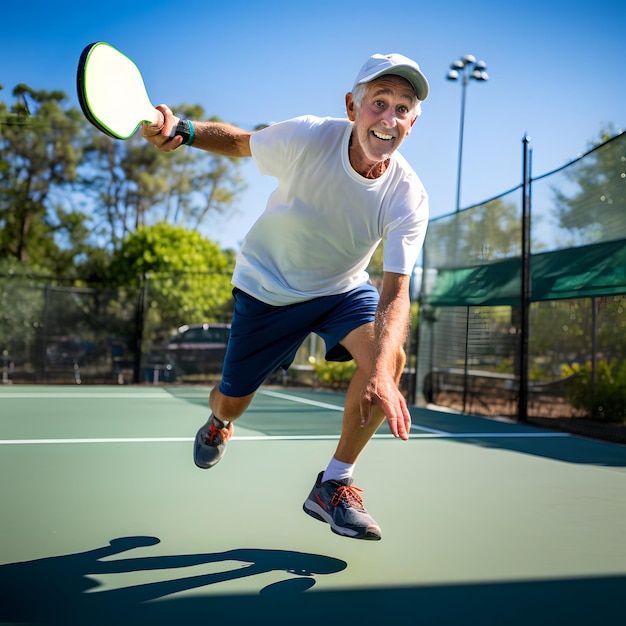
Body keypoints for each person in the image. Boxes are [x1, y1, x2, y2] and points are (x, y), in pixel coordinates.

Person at [142, 53, 430, 541]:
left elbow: (395, 294)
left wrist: (381, 371)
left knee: (389, 356)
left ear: (412, 123)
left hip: (341, 290)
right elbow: (240, 143)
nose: (389, 118)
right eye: (379, 103)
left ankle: (334, 483)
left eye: (402, 108)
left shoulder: (408, 195)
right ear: (352, 107)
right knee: (232, 404)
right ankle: (218, 421)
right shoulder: (309, 136)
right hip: (267, 288)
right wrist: (183, 130)